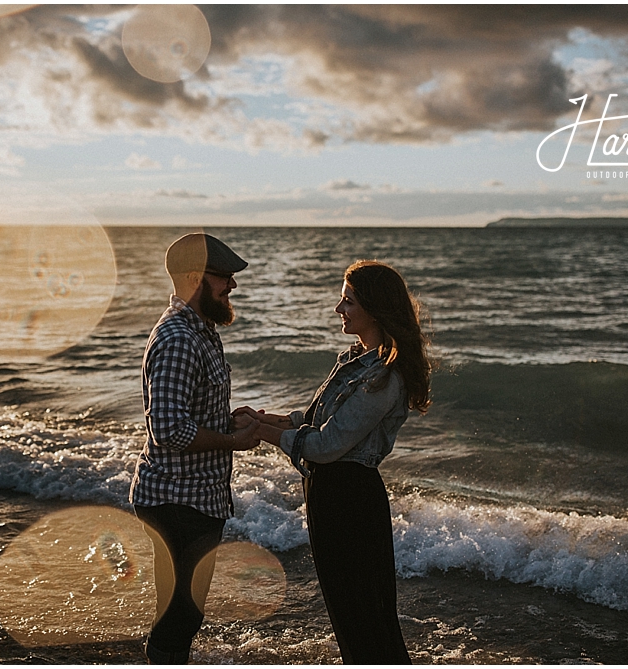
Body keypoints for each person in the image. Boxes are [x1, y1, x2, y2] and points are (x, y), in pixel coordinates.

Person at [233, 259, 433, 664]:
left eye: (348, 302)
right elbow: (315, 421)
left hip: (351, 499)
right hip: (329, 494)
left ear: (374, 309)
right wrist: (266, 418)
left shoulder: (385, 377)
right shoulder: (354, 360)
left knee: (365, 615)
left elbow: (328, 444)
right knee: (347, 612)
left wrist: (264, 435)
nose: (339, 310)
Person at [130, 232, 261, 665]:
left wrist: (229, 420)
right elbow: (167, 429)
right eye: (222, 276)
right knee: (179, 617)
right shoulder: (178, 339)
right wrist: (231, 441)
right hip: (176, 500)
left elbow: (186, 415)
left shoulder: (200, 330)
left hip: (193, 496)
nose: (232, 285)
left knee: (185, 614)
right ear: (193, 278)